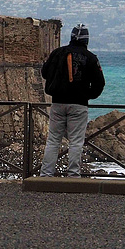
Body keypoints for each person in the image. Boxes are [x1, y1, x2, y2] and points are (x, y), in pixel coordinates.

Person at [40, 23, 105, 178]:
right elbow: (99, 83)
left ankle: (46, 174)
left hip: (58, 102)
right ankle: (73, 175)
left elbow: (44, 72)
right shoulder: (90, 58)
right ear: (86, 40)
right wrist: (88, 95)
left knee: (53, 140)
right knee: (76, 141)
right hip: (79, 104)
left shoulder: (57, 53)